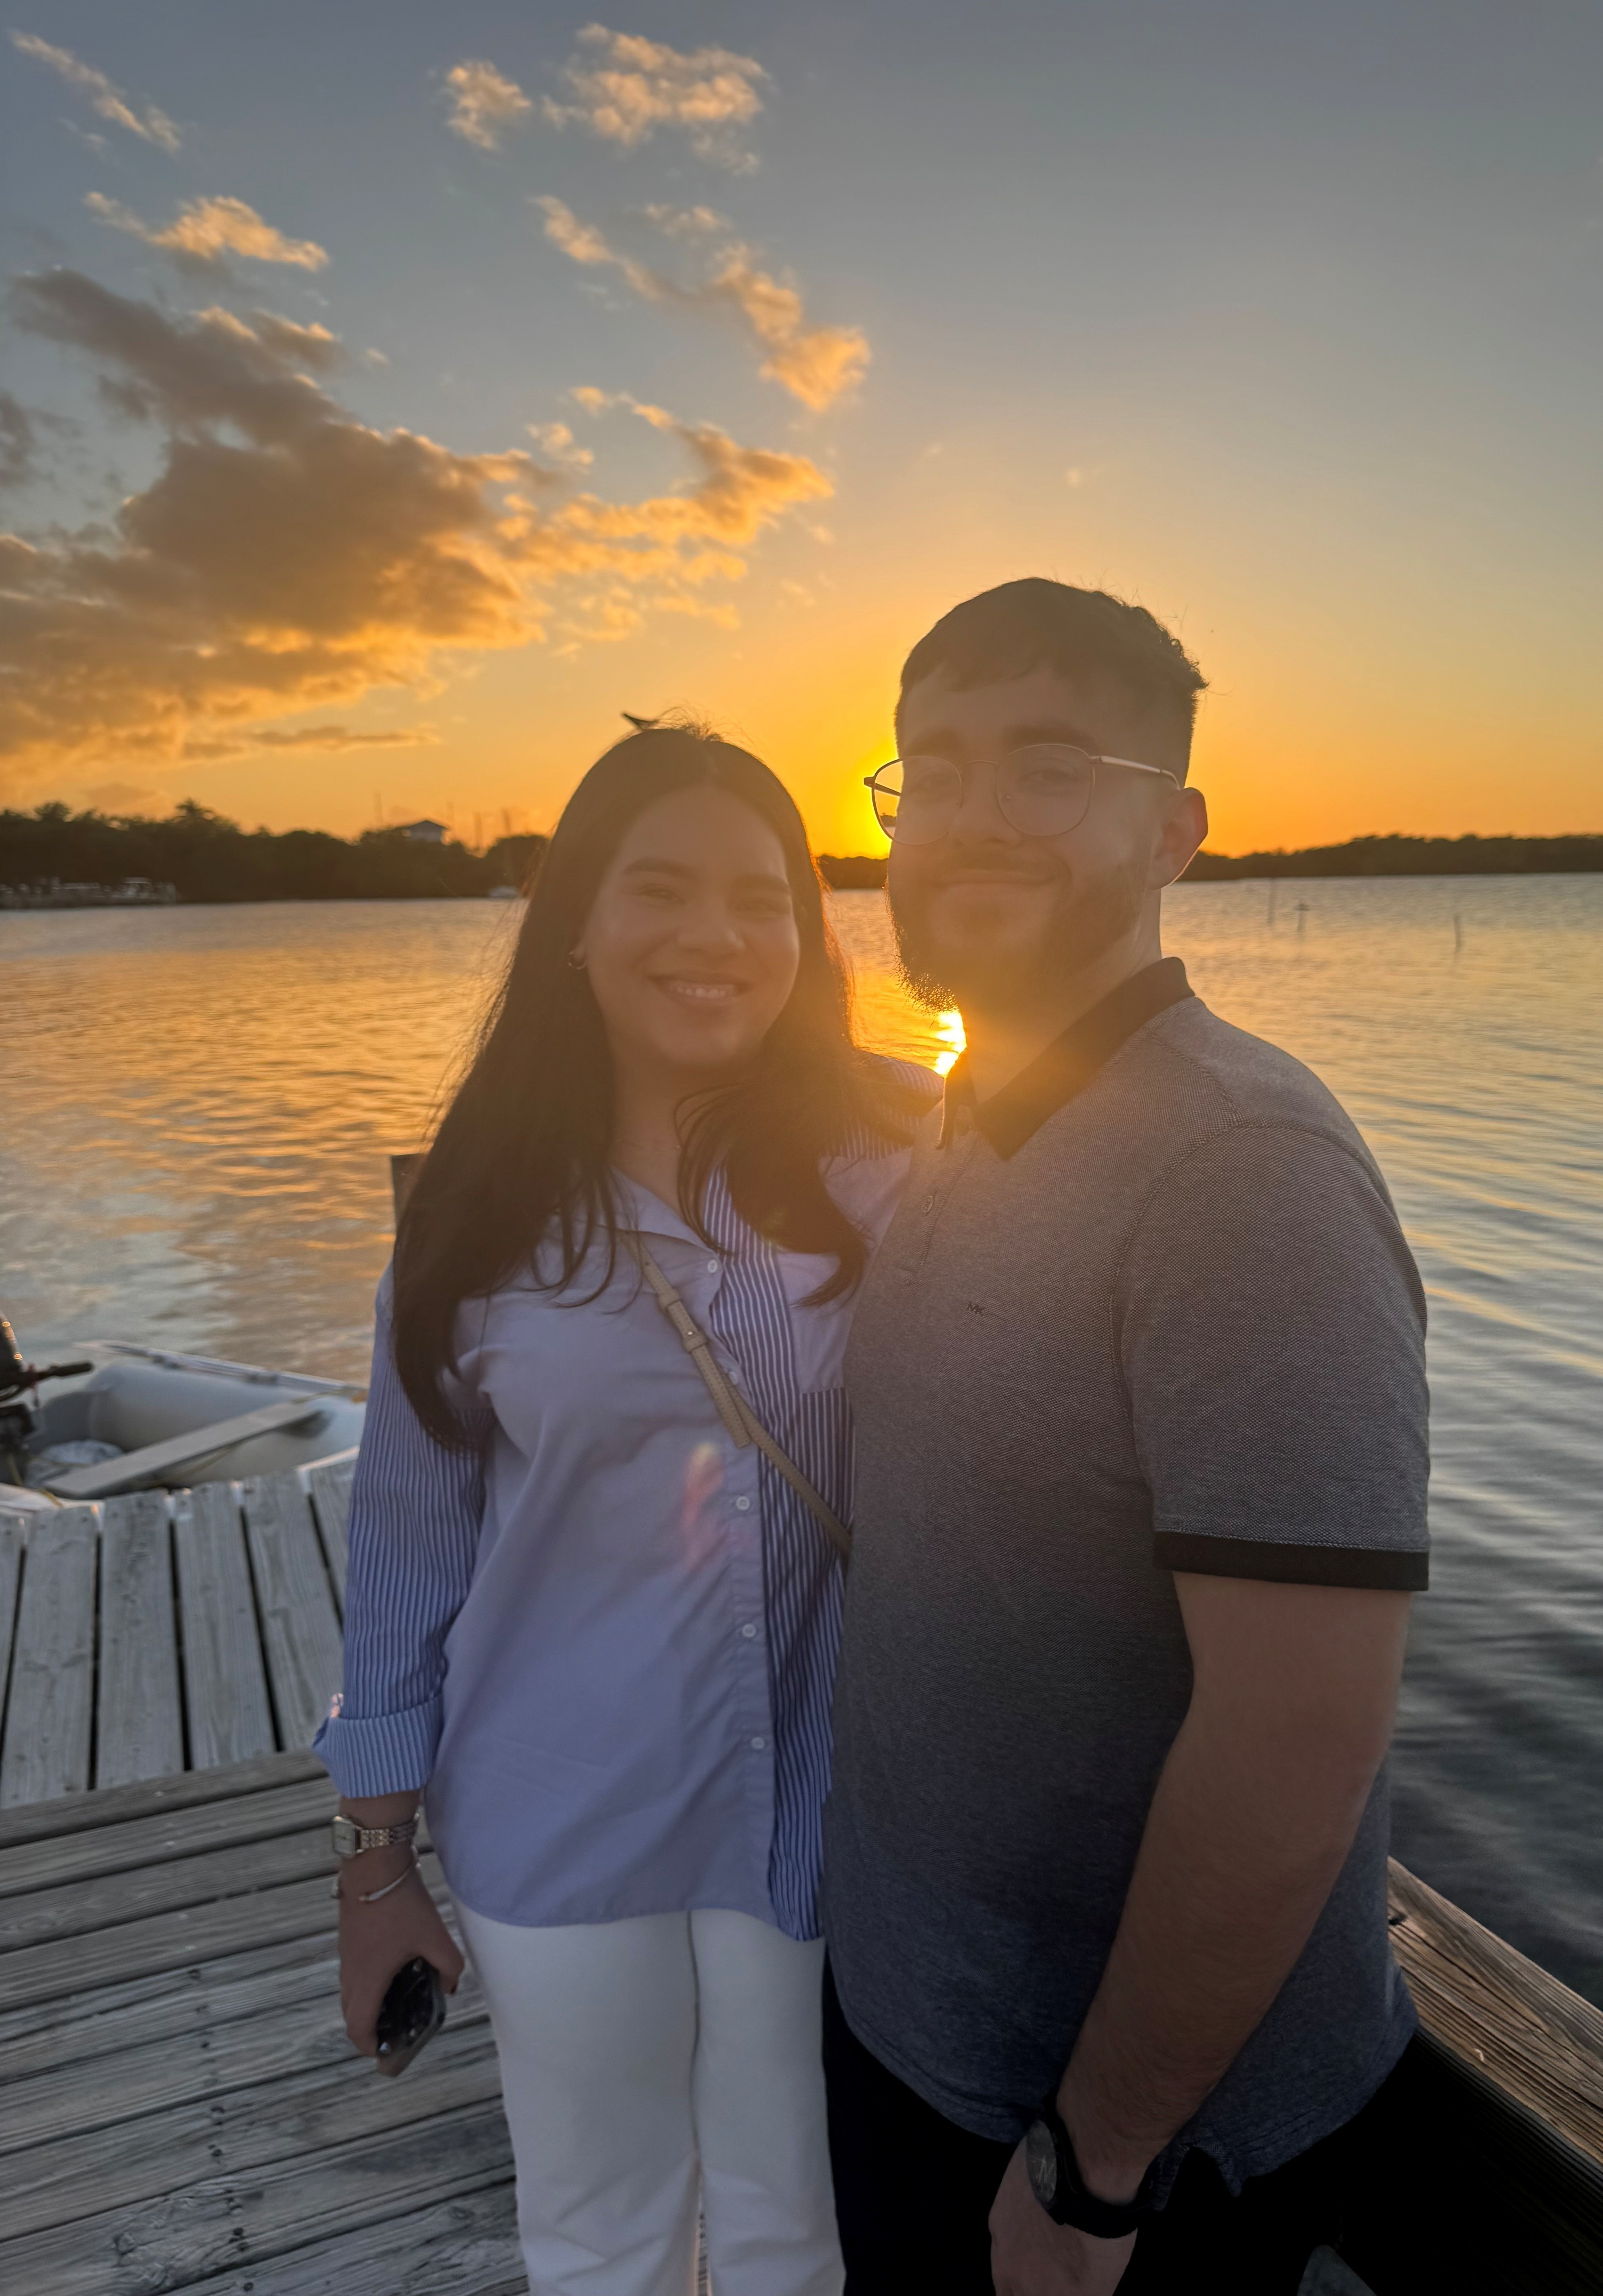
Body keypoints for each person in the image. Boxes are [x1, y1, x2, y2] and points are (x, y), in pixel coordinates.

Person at [821, 580, 1431, 2294]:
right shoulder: (979, 1112)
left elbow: (1297, 1737)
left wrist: (1093, 2173)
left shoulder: (1243, 1175)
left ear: (1172, 833)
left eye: (1048, 768)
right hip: (921, 2039)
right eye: (935, 769)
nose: (973, 816)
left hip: (1114, 2152)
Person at [315, 721, 932, 2296]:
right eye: (661, 888)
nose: (714, 935)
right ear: (578, 923)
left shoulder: (893, 1160)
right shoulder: (478, 1218)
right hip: (559, 1801)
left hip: (820, 1811)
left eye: (761, 898)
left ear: (807, 935)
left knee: (803, 2232)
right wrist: (377, 1865)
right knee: (602, 2236)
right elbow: (406, 1545)